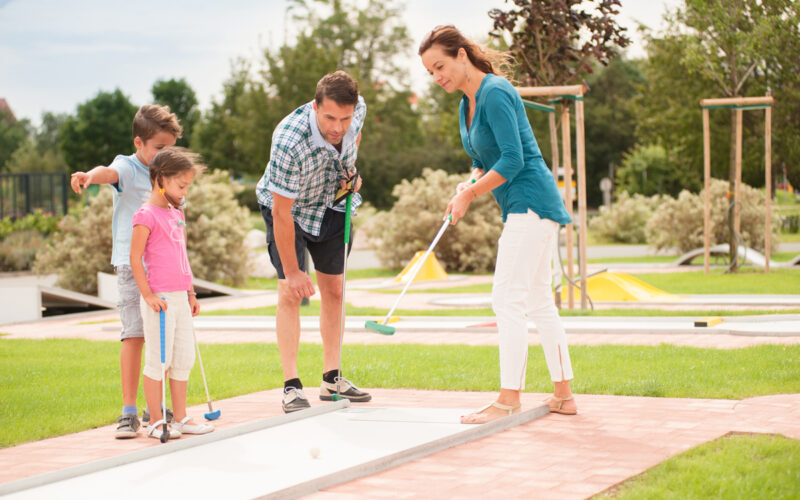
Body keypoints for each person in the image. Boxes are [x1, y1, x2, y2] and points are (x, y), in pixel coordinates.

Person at [419, 26, 578, 424]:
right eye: (430, 72)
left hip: (531, 203)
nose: (438, 77)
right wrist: (468, 184)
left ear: (461, 55)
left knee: (506, 299)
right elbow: (483, 160)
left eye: (440, 66)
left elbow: (512, 160)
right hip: (525, 208)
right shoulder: (466, 104)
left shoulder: (495, 92)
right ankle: (563, 396)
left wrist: (470, 196)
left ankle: (508, 399)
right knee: (539, 301)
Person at [255, 70, 372, 413]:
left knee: (335, 290)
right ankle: (292, 386)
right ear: (315, 105)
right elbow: (280, 212)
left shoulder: (357, 111)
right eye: (330, 117)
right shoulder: (289, 139)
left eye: (345, 118)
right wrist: (293, 271)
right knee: (290, 292)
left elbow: (356, 135)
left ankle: (332, 378)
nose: (338, 127)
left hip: (333, 203)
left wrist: (349, 170)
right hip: (289, 210)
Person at [70, 105, 182, 438]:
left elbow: (178, 228)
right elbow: (109, 171)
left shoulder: (171, 178)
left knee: (163, 340)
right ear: (139, 143)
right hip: (132, 268)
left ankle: (156, 408)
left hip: (164, 271)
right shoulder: (130, 168)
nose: (165, 155)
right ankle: (129, 412)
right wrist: (90, 177)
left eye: (170, 148)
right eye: (159, 148)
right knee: (134, 335)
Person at [130, 147, 214, 440]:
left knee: (183, 357)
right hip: (160, 300)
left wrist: (191, 292)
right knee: (158, 359)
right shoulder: (145, 215)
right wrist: (149, 295)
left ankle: (180, 418)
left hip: (180, 296)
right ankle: (155, 420)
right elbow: (135, 259)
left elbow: (183, 256)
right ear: (161, 179)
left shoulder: (176, 213)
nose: (184, 191)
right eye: (181, 185)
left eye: (187, 186)